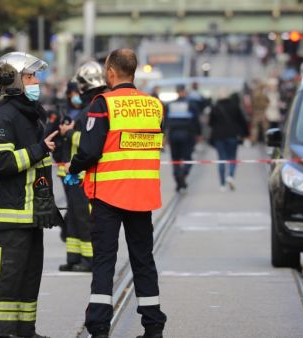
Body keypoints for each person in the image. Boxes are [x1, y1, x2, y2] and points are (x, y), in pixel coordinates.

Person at [67, 49, 166, 338]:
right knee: (143, 260)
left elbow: (89, 150)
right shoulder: (154, 106)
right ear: (133, 71)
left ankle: (98, 327)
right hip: (142, 195)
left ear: (110, 73)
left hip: (108, 195)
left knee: (105, 261)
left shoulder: (102, 104)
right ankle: (153, 325)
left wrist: (74, 168)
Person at [0, 51, 63, 338]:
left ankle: (25, 330)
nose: (36, 81)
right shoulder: (5, 116)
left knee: (29, 279)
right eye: (30, 76)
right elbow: (2, 162)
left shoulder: (30, 116)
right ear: (14, 81)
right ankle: (0, 332)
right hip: (12, 215)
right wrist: (39, 149)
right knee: (6, 280)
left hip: (32, 214)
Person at [58, 61, 108, 272]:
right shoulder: (88, 108)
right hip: (74, 173)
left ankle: (88, 260)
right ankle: (74, 256)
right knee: (74, 217)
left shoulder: (93, 108)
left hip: (82, 173)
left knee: (83, 217)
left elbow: (92, 141)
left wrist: (69, 134)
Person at [209, 93, 249, 191]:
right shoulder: (235, 107)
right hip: (232, 135)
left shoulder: (214, 108)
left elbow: (210, 123)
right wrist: (245, 134)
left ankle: (222, 184)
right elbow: (242, 121)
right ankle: (230, 175)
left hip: (219, 136)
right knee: (232, 157)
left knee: (221, 159)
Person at [165, 84, 202, 191]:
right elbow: (196, 121)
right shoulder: (191, 105)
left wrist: (165, 136)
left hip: (173, 135)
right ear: (184, 91)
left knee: (175, 160)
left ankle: (179, 181)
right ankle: (182, 175)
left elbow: (165, 122)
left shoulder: (170, 105)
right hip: (187, 135)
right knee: (188, 159)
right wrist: (198, 134)